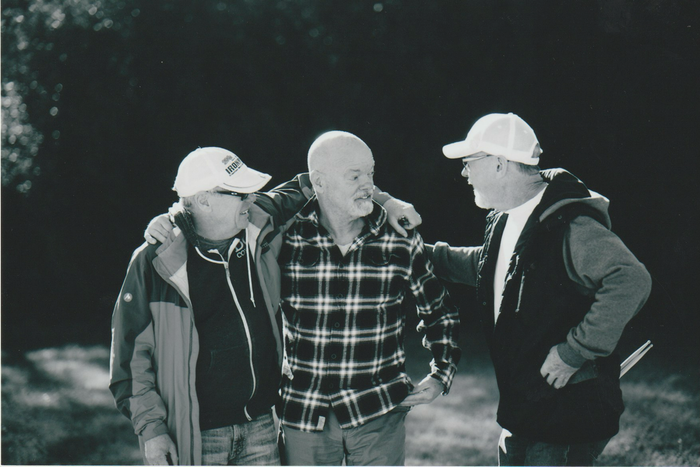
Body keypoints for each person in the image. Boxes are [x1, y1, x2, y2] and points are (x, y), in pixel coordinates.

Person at [426, 113, 652, 466]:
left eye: (470, 163)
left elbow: (631, 279)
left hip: (568, 412)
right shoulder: (508, 216)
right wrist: (421, 255)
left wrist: (574, 351)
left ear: (500, 165)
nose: (464, 173)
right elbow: (491, 268)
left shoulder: (571, 225)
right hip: (528, 405)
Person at [109, 147, 312, 465]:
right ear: (204, 200)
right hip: (196, 437)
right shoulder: (153, 261)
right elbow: (130, 363)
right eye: (241, 193)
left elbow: (326, 179)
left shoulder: (257, 219)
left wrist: (385, 201)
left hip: (261, 425)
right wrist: (152, 431)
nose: (252, 199)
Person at [277, 131, 461, 466]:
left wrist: (441, 374)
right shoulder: (286, 238)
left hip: (379, 411)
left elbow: (440, 311)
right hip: (304, 414)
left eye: (371, 173)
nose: (368, 185)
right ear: (319, 182)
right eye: (355, 176)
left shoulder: (399, 239)